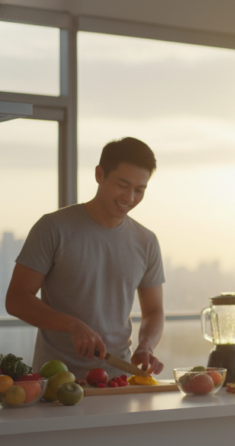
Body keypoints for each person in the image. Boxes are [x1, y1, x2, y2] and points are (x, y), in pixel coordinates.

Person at [6, 137, 166, 380]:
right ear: (99, 174)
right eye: (122, 185)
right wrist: (71, 324)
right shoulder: (52, 228)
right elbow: (16, 300)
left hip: (119, 382)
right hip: (55, 383)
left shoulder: (147, 241)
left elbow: (154, 311)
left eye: (139, 190)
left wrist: (146, 346)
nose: (129, 198)